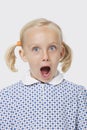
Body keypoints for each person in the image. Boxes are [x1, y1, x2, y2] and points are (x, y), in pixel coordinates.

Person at [0, 18, 87, 130]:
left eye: (52, 48)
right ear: (23, 54)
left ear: (61, 52)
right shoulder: (7, 97)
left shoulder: (78, 94)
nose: (45, 56)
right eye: (36, 49)